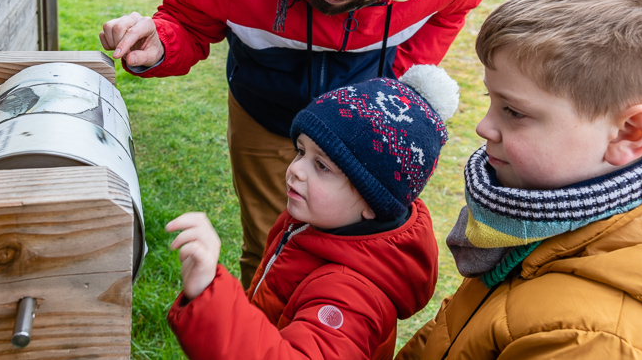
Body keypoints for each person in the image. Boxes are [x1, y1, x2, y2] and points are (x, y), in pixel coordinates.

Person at [100, 0, 495, 287]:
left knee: (353, 261)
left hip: (363, 136)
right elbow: (187, 21)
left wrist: (396, 83)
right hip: (263, 113)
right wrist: (162, 43)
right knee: (270, 245)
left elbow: (454, 9)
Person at [396, 0, 642, 360]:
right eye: (490, 101)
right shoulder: (535, 219)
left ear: (629, 133)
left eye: (513, 112)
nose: (483, 127)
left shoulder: (593, 341)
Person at [166, 65, 460, 359]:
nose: (295, 169)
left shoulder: (351, 297)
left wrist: (210, 295)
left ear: (373, 202)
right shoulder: (315, 223)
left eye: (322, 166)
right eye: (300, 151)